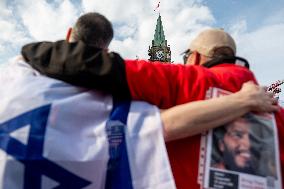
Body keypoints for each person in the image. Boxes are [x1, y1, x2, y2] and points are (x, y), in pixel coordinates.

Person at [21, 13, 284, 189]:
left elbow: (92, 66)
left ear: (193, 58)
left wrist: (29, 53)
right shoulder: (276, 111)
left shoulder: (181, 79)